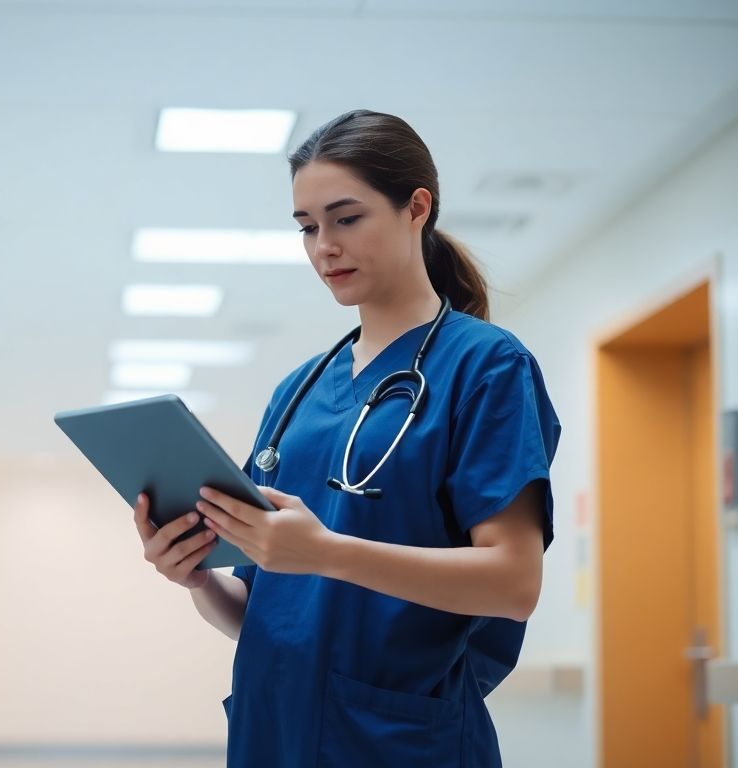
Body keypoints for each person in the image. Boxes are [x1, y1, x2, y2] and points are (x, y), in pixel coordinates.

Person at [131, 110, 561, 767]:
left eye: (346, 218)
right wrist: (196, 579)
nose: (324, 247)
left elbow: (514, 582)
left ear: (417, 208)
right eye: (307, 227)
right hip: (273, 735)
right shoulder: (298, 392)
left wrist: (327, 553)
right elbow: (262, 609)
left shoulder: (486, 366)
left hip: (399, 743)